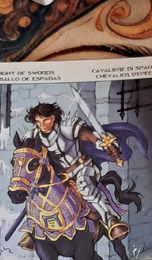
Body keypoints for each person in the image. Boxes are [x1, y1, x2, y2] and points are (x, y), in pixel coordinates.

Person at [21, 101, 129, 242]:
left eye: (45, 120)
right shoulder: (33, 135)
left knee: (85, 187)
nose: (42, 125)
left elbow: (92, 138)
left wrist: (108, 146)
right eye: (38, 121)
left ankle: (112, 221)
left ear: (53, 117)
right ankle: (33, 230)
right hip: (58, 177)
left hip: (82, 168)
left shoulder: (68, 127)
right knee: (39, 196)